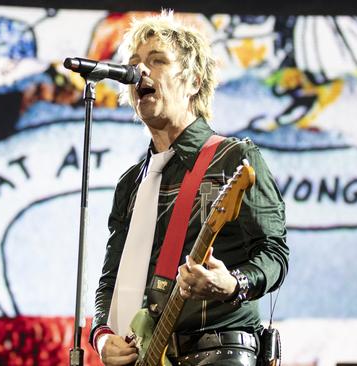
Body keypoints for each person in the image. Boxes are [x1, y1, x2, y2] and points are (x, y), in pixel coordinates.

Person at [89, 11, 288, 366]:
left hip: (219, 352)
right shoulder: (132, 184)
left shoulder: (234, 159)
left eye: (157, 60)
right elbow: (110, 280)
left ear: (194, 81)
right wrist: (102, 336)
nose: (141, 71)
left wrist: (234, 284)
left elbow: (274, 253)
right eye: (133, 63)